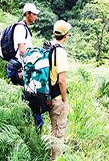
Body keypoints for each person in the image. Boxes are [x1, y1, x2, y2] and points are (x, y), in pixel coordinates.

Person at [49, 20, 71, 160]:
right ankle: (55, 158)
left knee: (53, 128)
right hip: (57, 97)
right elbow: (62, 81)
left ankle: (50, 155)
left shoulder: (48, 46)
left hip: (47, 94)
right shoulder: (61, 52)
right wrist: (65, 100)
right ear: (66, 35)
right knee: (59, 132)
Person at [13, 2, 40, 79]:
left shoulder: (25, 28)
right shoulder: (20, 28)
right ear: (27, 14)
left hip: (23, 66)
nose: (36, 17)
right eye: (34, 14)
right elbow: (22, 51)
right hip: (19, 68)